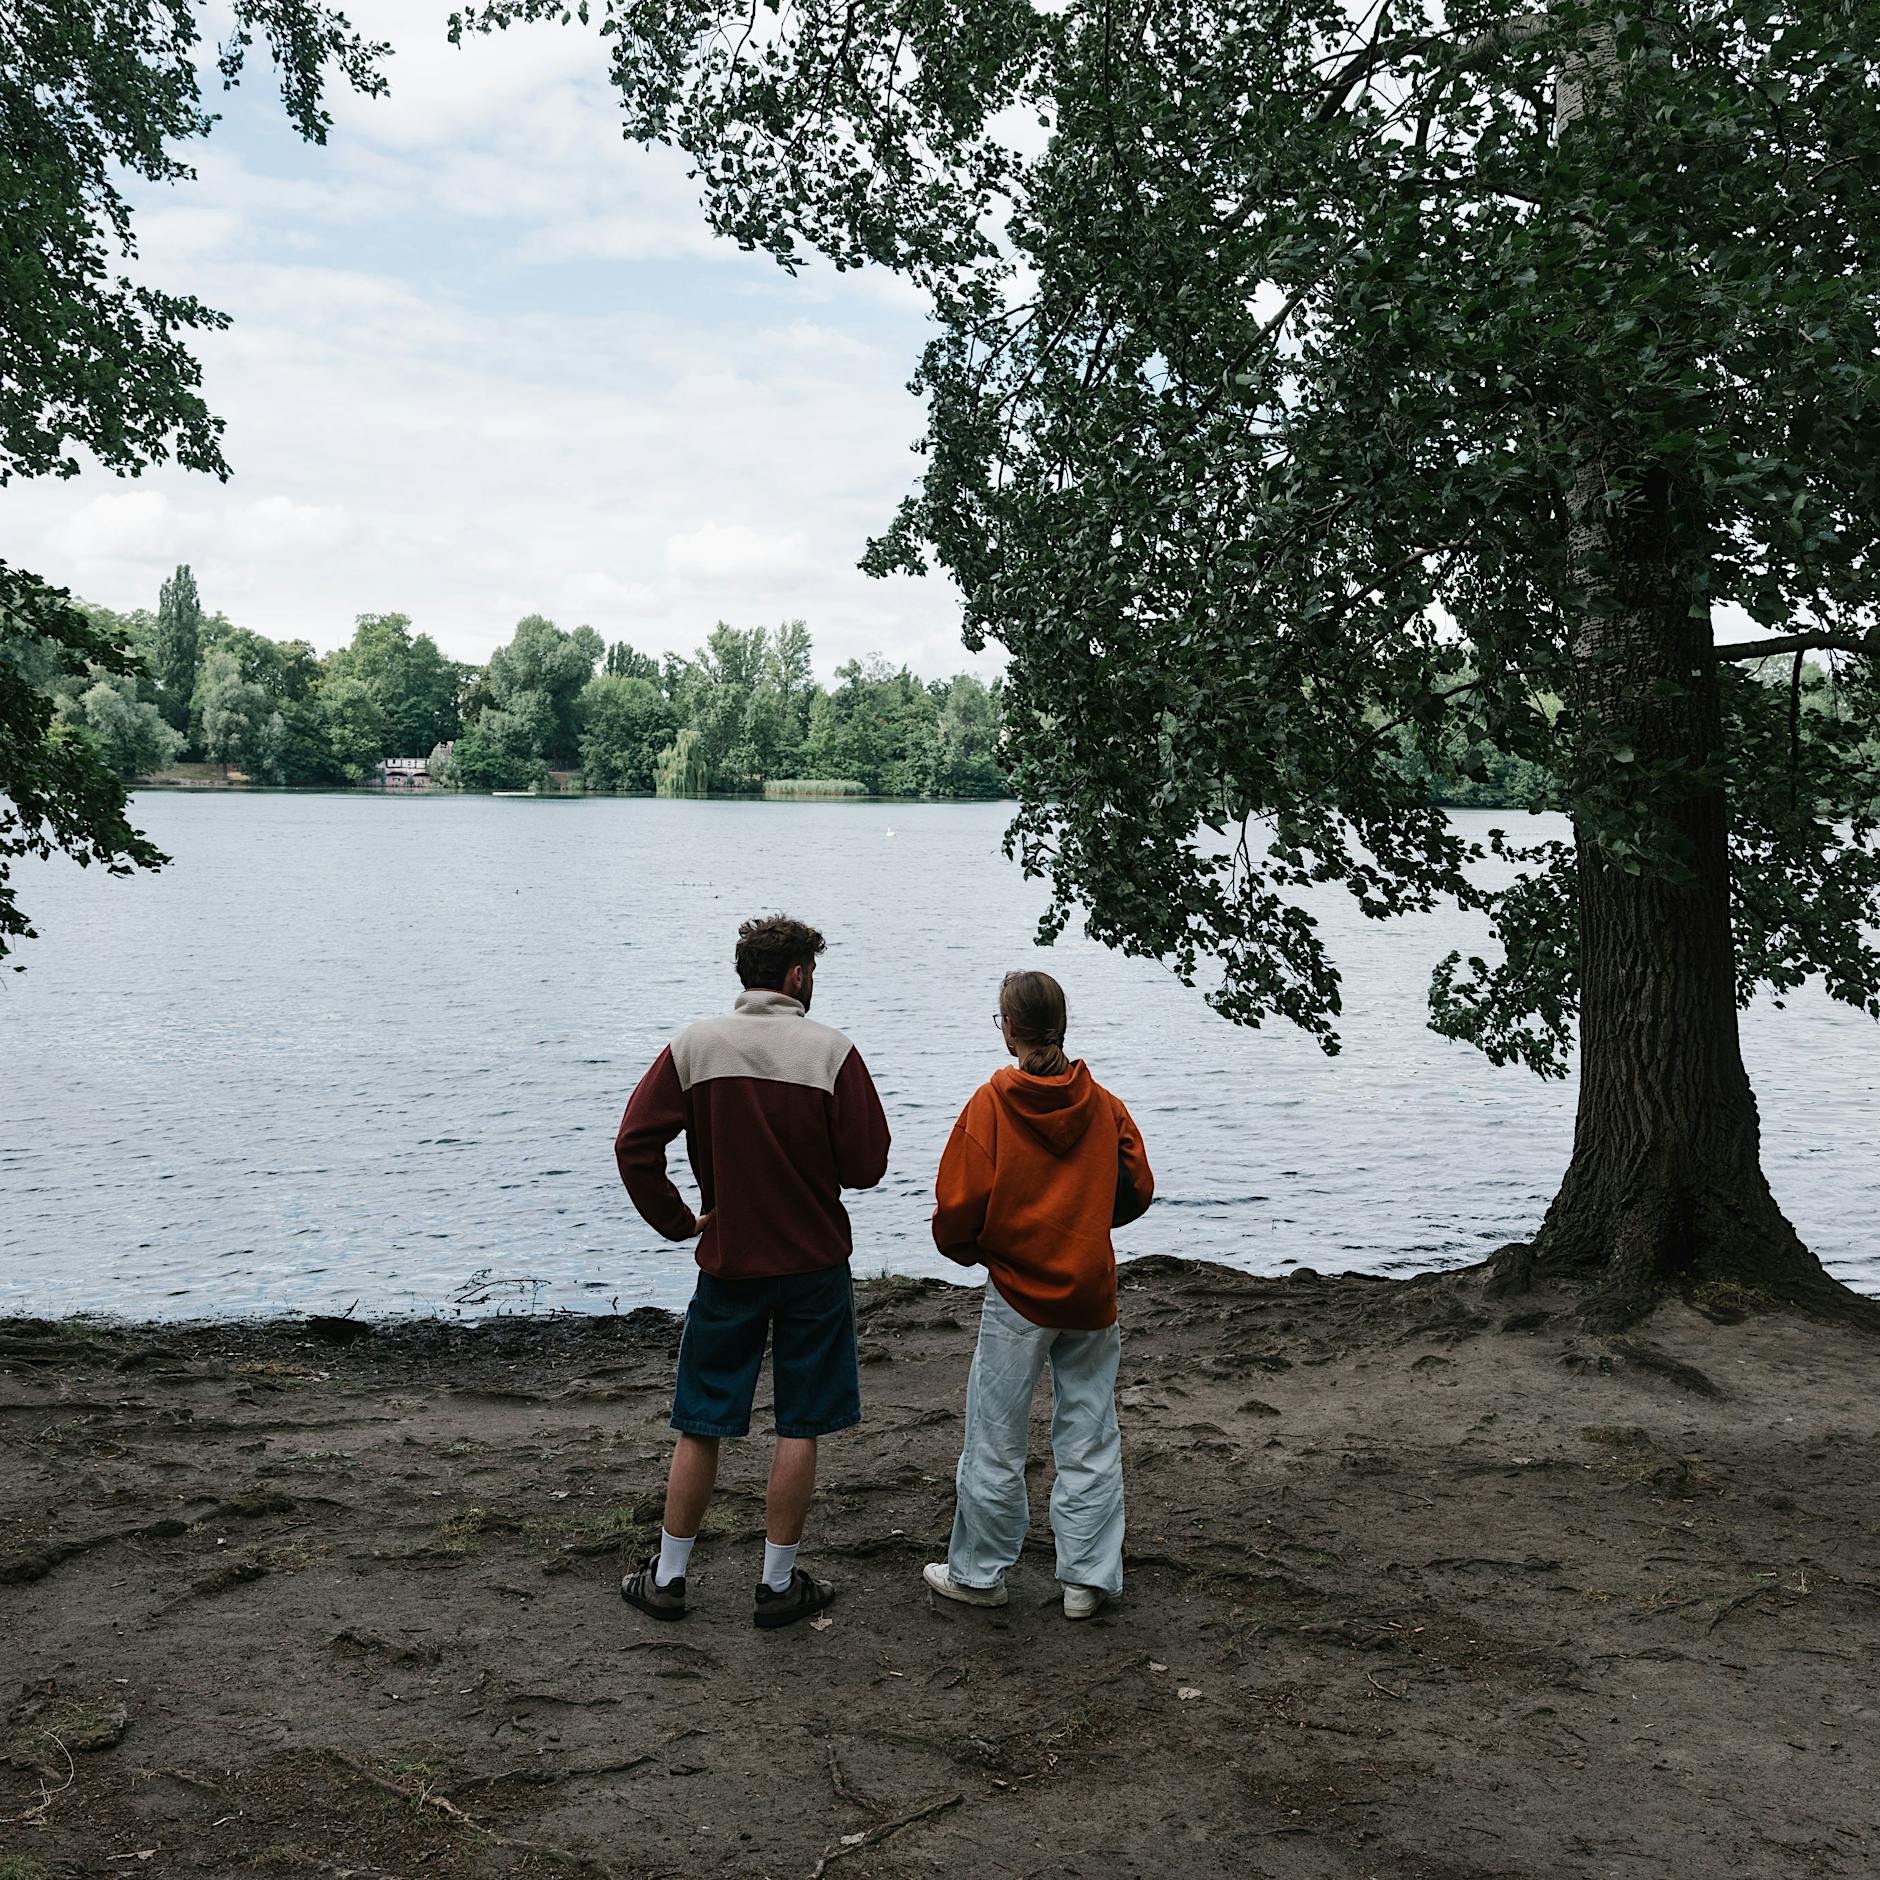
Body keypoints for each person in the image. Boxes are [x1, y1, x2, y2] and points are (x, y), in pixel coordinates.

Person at [613, 914, 890, 1629]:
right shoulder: (832, 1052)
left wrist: (679, 1220)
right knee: (800, 1421)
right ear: (797, 975)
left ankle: (668, 1578)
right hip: (814, 1263)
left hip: (730, 1260)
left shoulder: (694, 1046)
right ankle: (776, 1585)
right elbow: (866, 1166)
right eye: (812, 972)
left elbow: (634, 1144)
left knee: (701, 1418)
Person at [924, 969, 1154, 1620]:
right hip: (1089, 1291)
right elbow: (1137, 1188)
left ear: (1009, 1031)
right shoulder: (1104, 1106)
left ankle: (980, 1574)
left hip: (1017, 1294)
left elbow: (956, 1209)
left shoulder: (991, 1105)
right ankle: (1087, 1581)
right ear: (1061, 1025)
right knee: (1090, 1433)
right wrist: (1087, 1222)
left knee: (995, 1437)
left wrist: (980, 1252)